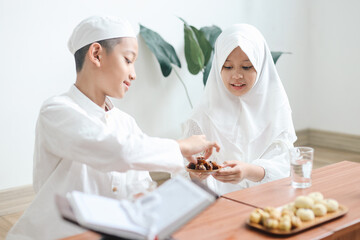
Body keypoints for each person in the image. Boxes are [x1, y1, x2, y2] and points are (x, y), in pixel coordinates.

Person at [6, 16, 219, 240]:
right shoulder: (56, 111)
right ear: (96, 54)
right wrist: (180, 146)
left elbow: (142, 185)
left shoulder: (125, 122)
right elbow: (118, 151)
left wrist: (190, 179)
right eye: (128, 60)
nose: (134, 74)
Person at [182, 24, 296, 195]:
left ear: (260, 65)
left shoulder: (276, 108)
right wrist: (197, 175)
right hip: (218, 204)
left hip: (267, 200)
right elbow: (183, 172)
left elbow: (285, 165)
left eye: (246, 67)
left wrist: (249, 171)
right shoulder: (202, 115)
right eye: (228, 67)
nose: (236, 75)